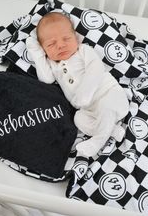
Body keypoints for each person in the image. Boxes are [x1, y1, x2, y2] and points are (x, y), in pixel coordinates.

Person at [26, 12, 129, 157]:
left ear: (76, 37)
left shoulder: (83, 51)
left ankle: (97, 141)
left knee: (106, 107)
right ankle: (111, 130)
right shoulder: (53, 64)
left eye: (66, 39)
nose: (60, 45)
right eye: (51, 44)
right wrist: (37, 54)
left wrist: (85, 93)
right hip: (89, 110)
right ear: (44, 49)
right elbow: (46, 79)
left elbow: (96, 68)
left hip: (109, 94)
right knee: (78, 119)